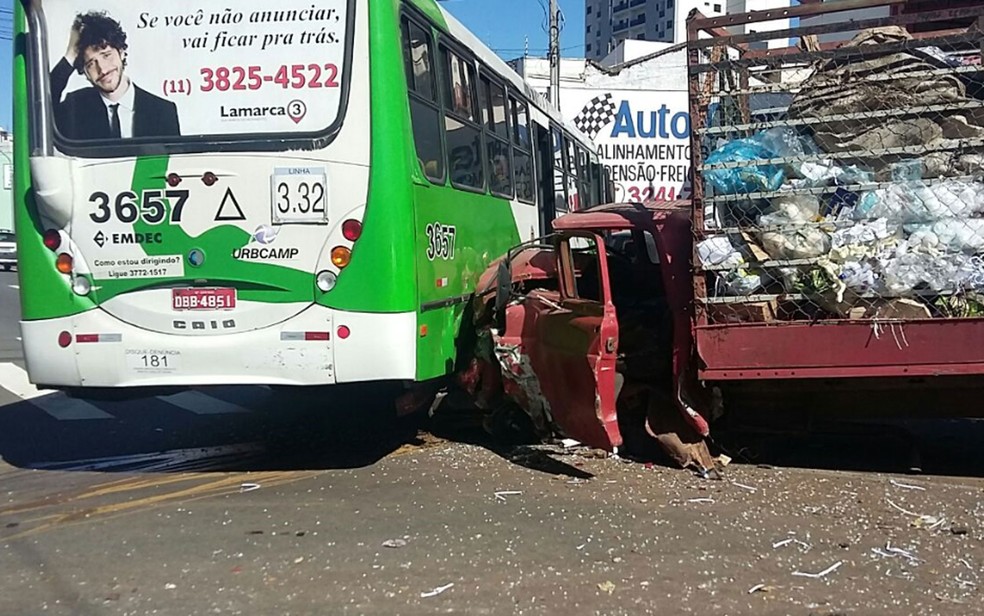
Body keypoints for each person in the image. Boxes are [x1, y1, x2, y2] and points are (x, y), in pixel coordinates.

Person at [51, 12, 180, 140]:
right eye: (91, 64)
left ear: (121, 52)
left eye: (106, 55)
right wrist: (71, 55)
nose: (102, 69)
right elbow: (41, 110)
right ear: (85, 72)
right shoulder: (75, 108)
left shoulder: (163, 111)